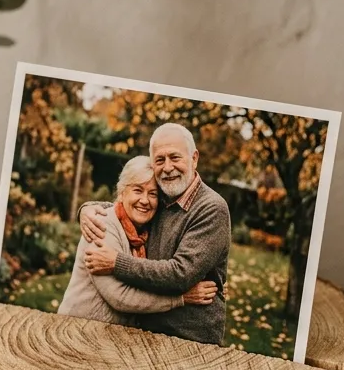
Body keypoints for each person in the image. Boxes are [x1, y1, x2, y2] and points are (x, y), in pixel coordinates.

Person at [79, 123, 231, 346]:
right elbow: (132, 205)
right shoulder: (164, 196)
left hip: (190, 338)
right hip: (145, 330)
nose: (168, 167)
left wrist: (117, 262)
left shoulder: (212, 208)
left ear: (194, 158)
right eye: (160, 160)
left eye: (175, 157)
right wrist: (87, 208)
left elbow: (181, 274)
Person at [58, 155, 218, 326]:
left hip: (107, 336)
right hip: (76, 331)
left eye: (153, 194)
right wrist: (180, 298)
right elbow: (120, 297)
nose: (144, 200)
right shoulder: (101, 226)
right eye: (137, 190)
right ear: (121, 193)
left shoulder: (146, 232)